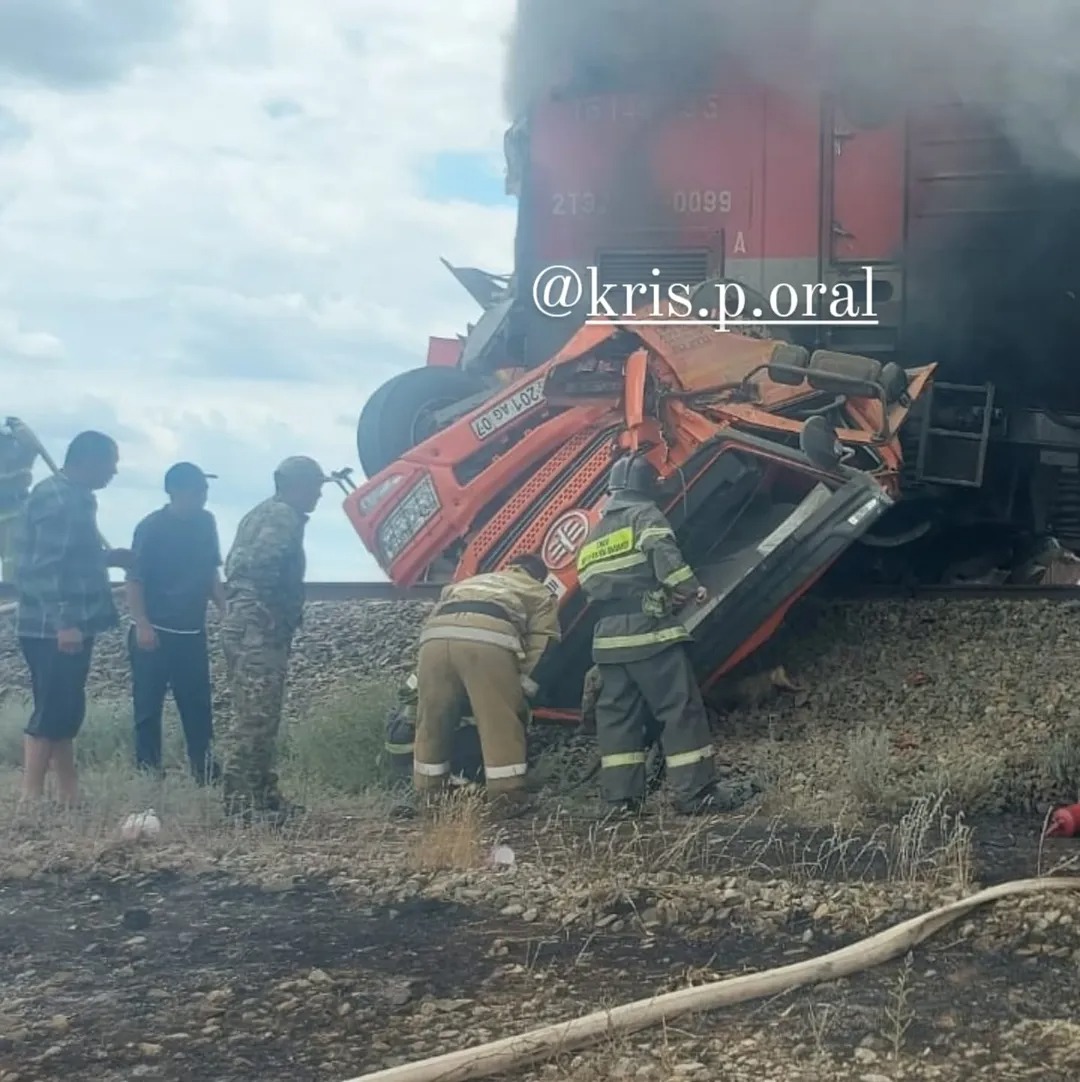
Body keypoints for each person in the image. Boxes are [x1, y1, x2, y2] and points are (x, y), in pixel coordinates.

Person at [575, 452, 756, 816]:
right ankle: (697, 793)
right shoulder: (645, 515)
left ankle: (620, 801)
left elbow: (587, 582)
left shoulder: (594, 535)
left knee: (618, 718)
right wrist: (689, 588)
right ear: (647, 489)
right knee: (679, 709)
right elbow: (664, 555)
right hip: (648, 634)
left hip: (608, 642)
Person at [14, 431, 131, 804]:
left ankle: (69, 794)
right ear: (88, 461)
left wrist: (107, 559)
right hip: (53, 625)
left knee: (66, 707)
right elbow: (44, 566)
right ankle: (30, 796)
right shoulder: (58, 498)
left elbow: (73, 557)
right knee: (51, 708)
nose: (113, 472)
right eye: (110, 463)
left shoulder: (78, 498)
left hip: (74, 621)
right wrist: (64, 622)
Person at [218, 455, 328, 823]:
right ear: (295, 485)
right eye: (315, 486)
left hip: (250, 624)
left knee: (261, 713)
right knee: (254, 716)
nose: (318, 495)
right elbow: (259, 565)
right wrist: (267, 609)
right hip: (257, 628)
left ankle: (261, 793)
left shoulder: (261, 513)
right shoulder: (281, 515)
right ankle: (241, 804)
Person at [412, 553, 560, 816]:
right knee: (499, 721)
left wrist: (416, 679)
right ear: (538, 576)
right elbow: (544, 641)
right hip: (486, 641)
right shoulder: (538, 591)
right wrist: (523, 686)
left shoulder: (470, 582)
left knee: (432, 719)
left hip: (433, 640)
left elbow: (435, 616)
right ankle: (507, 797)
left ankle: (429, 794)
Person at [126, 462, 225, 783]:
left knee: (197, 705)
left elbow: (212, 572)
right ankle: (148, 773)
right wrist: (142, 623)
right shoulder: (150, 528)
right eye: (197, 491)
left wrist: (226, 608)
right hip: (154, 631)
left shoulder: (207, 524)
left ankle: (205, 771)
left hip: (191, 631)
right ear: (175, 492)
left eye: (205, 491)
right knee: (148, 709)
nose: (203, 497)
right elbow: (135, 580)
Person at [0, 417, 42, 583]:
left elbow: (33, 446)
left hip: (15, 514)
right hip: (12, 512)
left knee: (14, 568)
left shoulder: (19, 451)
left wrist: (18, 425)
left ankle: (12, 597)